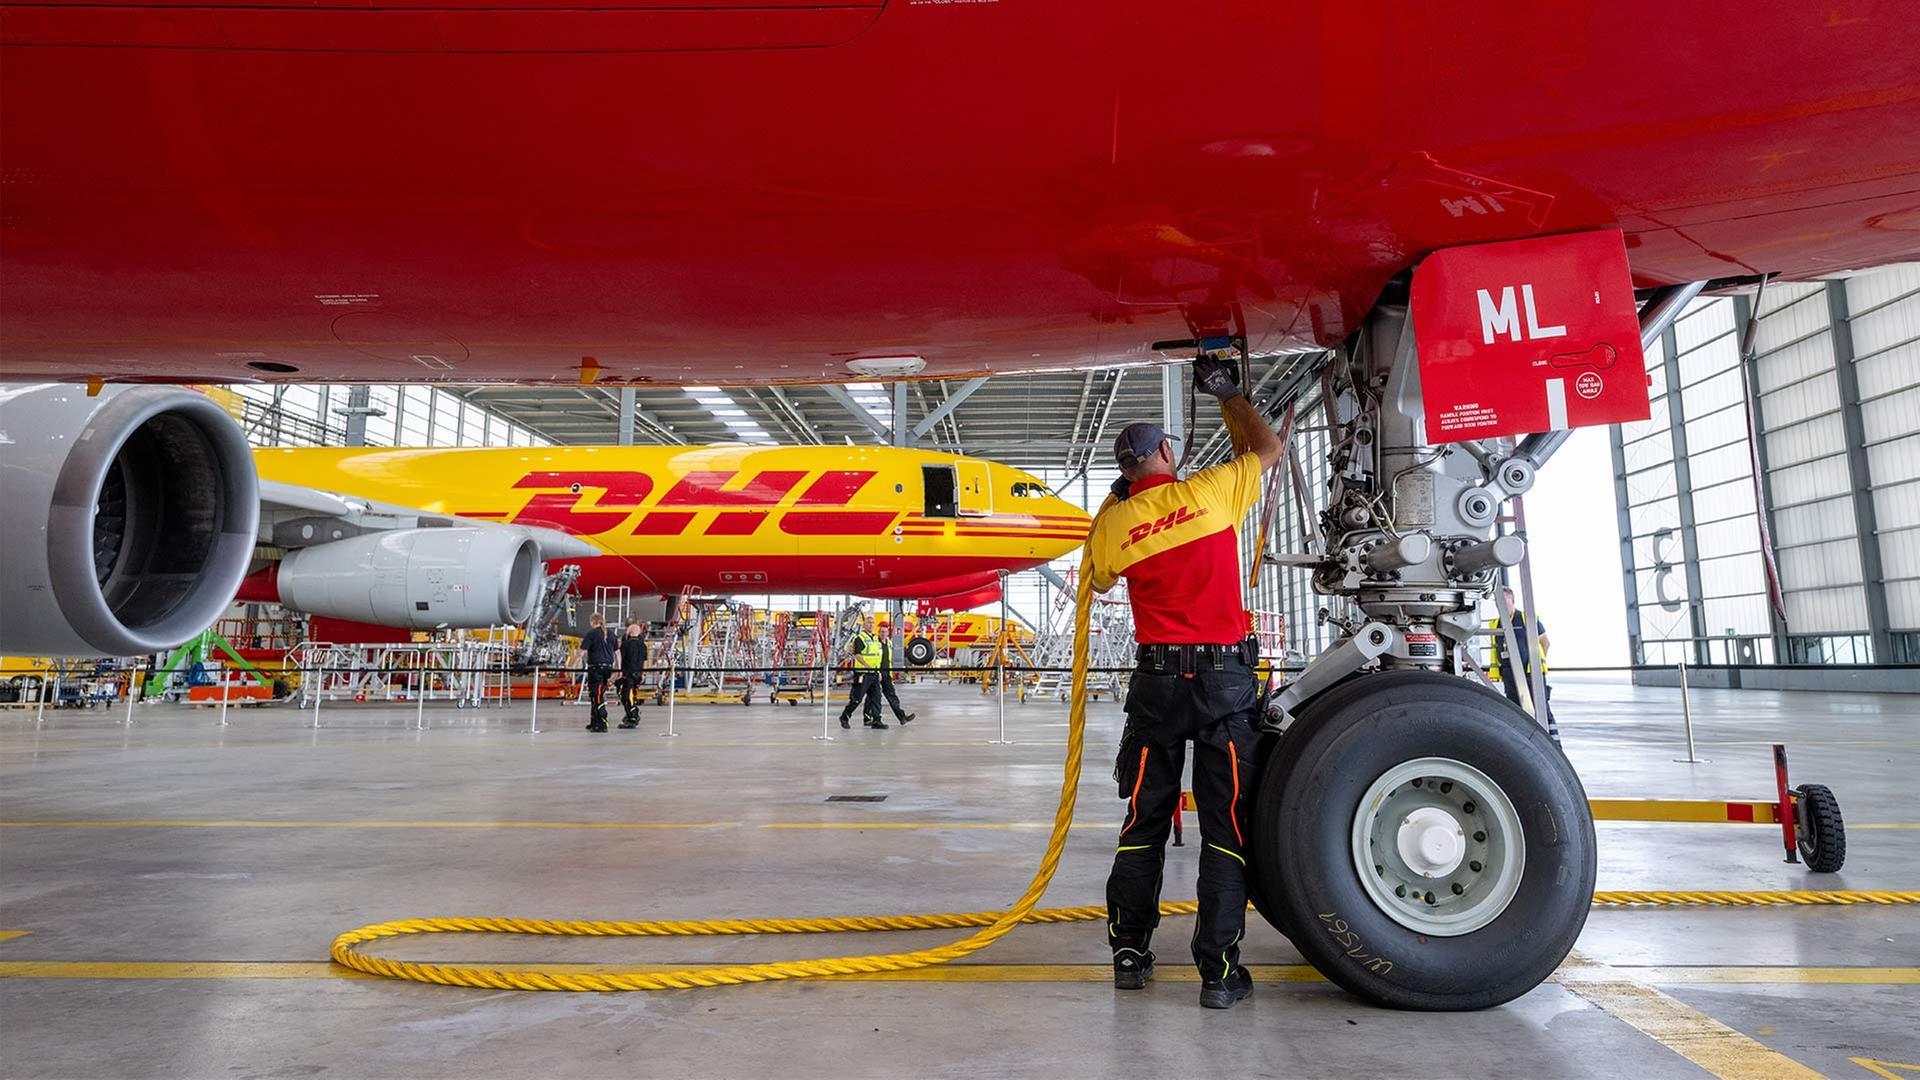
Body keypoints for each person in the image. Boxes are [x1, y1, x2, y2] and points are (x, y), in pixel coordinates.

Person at [1082, 350, 1282, 1010]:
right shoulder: (1210, 492)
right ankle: (1218, 974)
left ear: (1124, 471)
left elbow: (1100, 572)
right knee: (1225, 829)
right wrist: (1227, 395)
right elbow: (1267, 447)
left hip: (1158, 687)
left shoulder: (1113, 524)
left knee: (1144, 820)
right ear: (1169, 453)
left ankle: (1131, 953)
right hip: (1224, 682)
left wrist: (1121, 499)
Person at [1488, 586, 1556, 739]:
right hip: (1509, 674)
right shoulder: (1495, 624)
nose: (1501, 606)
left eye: (1504, 601)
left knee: (1542, 709)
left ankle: (1553, 743)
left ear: (1513, 601)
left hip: (1530, 673)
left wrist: (1536, 664)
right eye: (1498, 603)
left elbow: (1545, 642)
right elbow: (1495, 649)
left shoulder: (1527, 619)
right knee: (1515, 709)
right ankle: (1524, 739)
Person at [836, 618, 887, 729]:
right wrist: (866, 665)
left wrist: (878, 671)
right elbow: (857, 655)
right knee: (857, 698)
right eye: (868, 623)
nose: (871, 624)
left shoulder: (875, 639)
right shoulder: (860, 638)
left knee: (876, 698)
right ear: (864, 625)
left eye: (873, 622)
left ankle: (876, 720)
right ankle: (845, 717)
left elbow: (877, 656)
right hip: (862, 673)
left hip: (874, 673)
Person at [580, 612, 617, 733]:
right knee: (596, 694)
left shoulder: (592, 634)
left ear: (592, 622)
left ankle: (602, 723)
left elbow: (582, 651)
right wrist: (618, 668)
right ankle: (594, 721)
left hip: (596, 668)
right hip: (608, 667)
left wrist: (572, 664)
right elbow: (618, 653)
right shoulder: (611, 634)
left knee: (597, 695)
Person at [877, 635, 916, 726]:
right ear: (879, 633)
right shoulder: (875, 643)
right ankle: (869, 718)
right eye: (882, 632)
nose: (884, 634)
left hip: (887, 675)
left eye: (885, 632)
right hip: (877, 674)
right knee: (874, 698)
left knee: (892, 697)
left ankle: (902, 717)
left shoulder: (889, 643)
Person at [617, 620, 649, 729]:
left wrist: (617, 673)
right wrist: (644, 674)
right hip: (638, 675)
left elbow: (620, 659)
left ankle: (633, 715)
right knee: (631, 696)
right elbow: (645, 660)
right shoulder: (643, 645)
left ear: (629, 632)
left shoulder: (625, 644)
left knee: (625, 696)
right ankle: (631, 714)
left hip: (628, 674)